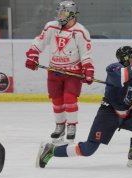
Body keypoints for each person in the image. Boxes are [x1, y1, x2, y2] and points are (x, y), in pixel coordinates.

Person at [37, 46, 132, 168]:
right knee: (88, 149)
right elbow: (123, 77)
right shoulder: (114, 69)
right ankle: (52, 150)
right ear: (125, 60)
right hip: (108, 113)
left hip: (127, 114)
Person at [25, 1, 94, 143]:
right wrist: (33, 55)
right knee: (56, 100)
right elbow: (40, 41)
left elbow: (86, 53)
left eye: (64, 12)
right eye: (59, 12)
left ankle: (72, 126)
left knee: (69, 98)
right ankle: (60, 125)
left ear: (72, 14)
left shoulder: (80, 31)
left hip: (72, 72)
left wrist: (88, 69)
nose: (60, 15)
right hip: (54, 70)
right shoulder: (51, 26)